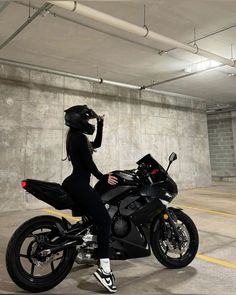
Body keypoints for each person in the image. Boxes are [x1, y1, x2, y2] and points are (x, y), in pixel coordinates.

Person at [62, 105, 118, 293]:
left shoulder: (76, 137)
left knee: (93, 217)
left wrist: (101, 124)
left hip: (75, 182)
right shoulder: (77, 138)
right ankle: (105, 270)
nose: (88, 123)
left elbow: (98, 144)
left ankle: (86, 250)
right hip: (79, 184)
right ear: (78, 121)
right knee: (104, 220)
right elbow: (89, 163)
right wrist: (104, 177)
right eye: (86, 120)